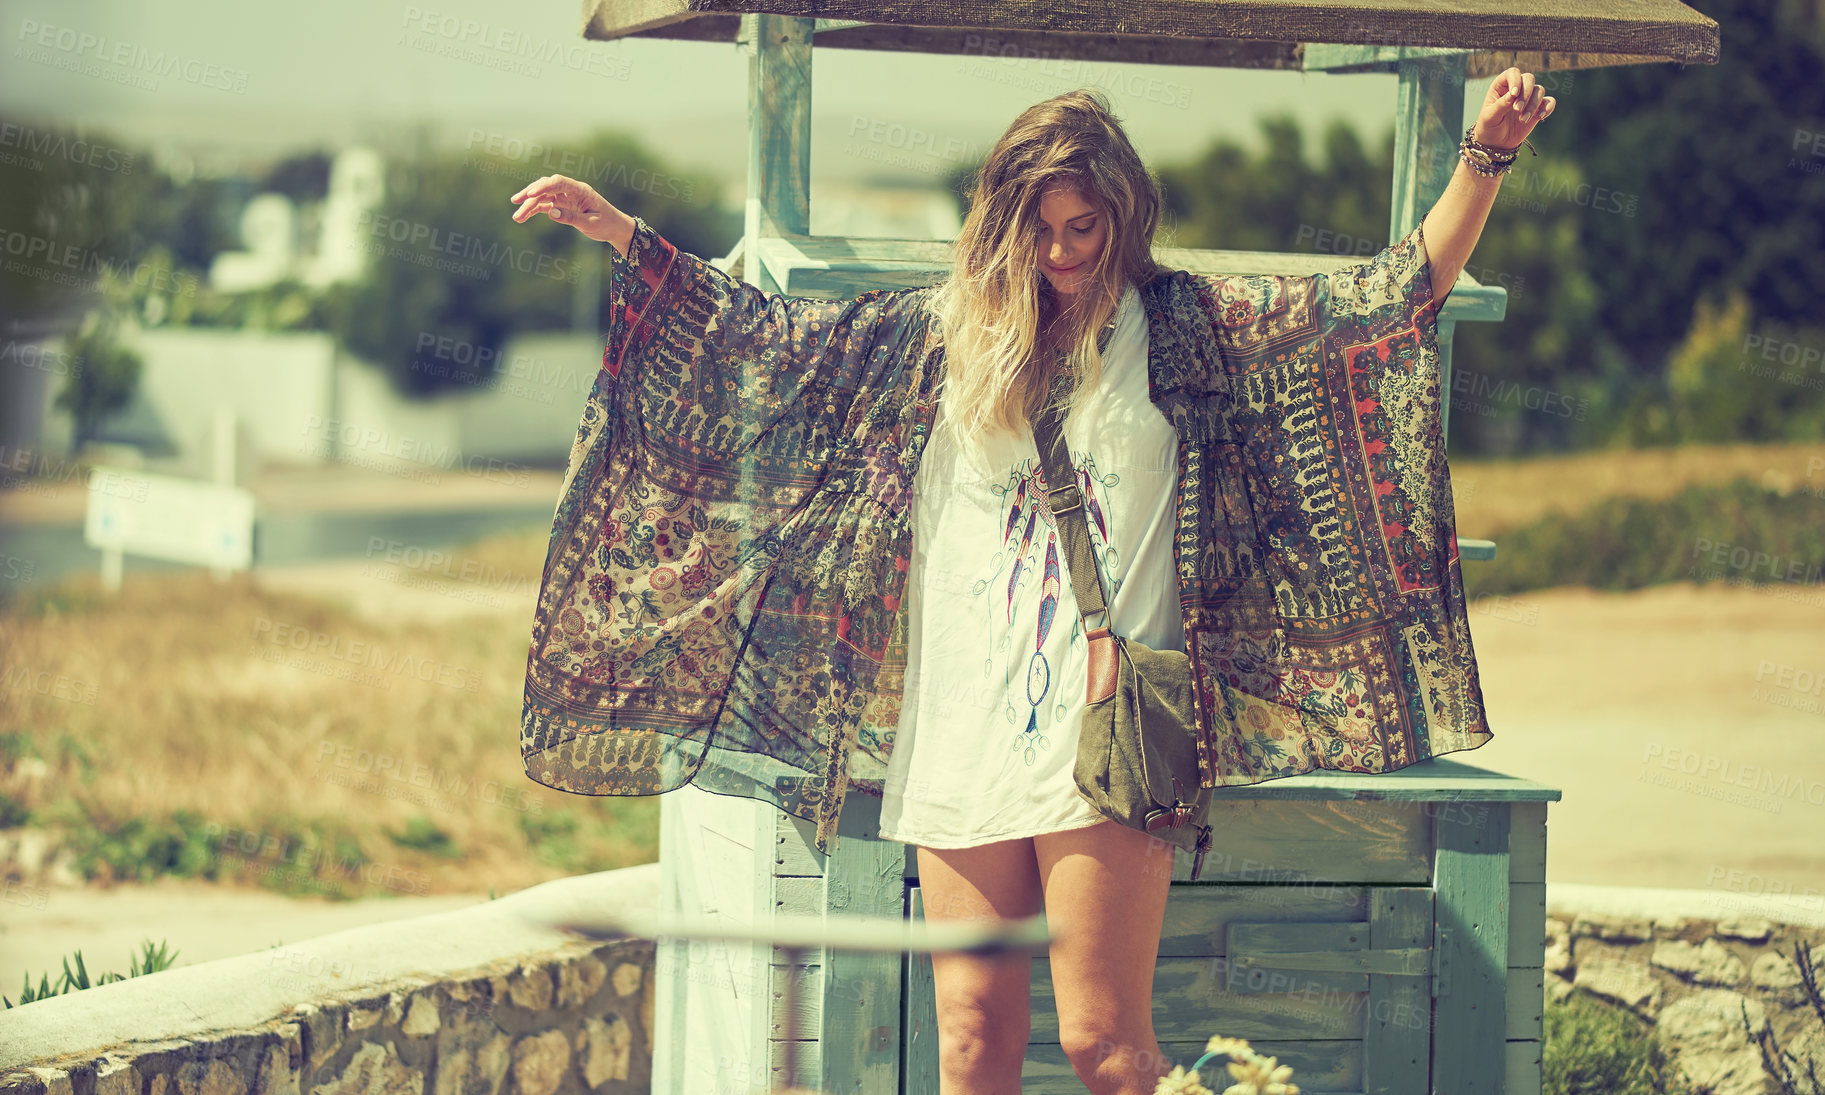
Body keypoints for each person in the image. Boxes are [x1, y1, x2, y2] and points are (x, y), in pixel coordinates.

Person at [510, 76, 1552, 1095]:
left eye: (1083, 227)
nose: (1059, 252)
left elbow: (1386, 297)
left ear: (1122, 217)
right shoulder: (935, 334)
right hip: (959, 732)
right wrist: (627, 241)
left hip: (1103, 733)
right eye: (1039, 227)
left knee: (1105, 1046)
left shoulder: (1187, 326)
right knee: (969, 1043)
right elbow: (763, 341)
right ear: (1003, 221)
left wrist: (1485, 155)